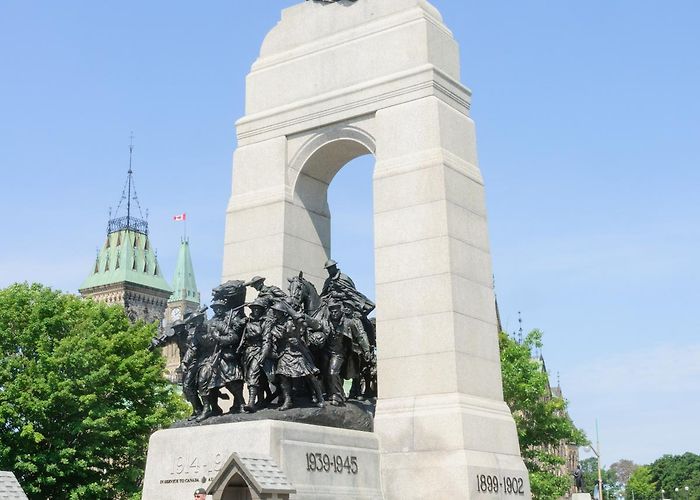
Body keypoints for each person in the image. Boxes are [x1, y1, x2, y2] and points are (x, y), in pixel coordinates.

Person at [262, 302, 324, 411]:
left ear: (282, 313)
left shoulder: (291, 323)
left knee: (309, 375)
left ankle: (320, 397)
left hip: (297, 351)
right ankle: (288, 400)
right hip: (284, 353)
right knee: (283, 377)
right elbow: (271, 340)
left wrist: (292, 312)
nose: (275, 313)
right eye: (274, 311)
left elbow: (302, 322)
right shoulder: (273, 326)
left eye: (277, 312)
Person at [239, 298, 272, 412]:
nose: (256, 311)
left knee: (253, 374)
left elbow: (266, 340)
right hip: (248, 352)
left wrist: (263, 354)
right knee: (255, 377)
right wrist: (238, 325)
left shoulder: (265, 323)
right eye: (254, 309)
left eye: (258, 309)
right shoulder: (247, 322)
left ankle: (251, 402)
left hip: (259, 350)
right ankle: (261, 400)